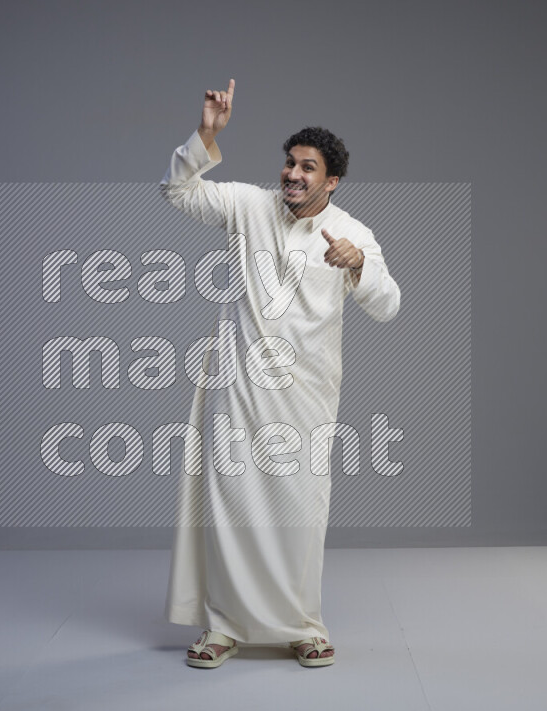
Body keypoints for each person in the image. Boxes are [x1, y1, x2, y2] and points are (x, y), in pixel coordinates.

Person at [160, 79, 400, 668]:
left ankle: (302, 625)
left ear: (332, 180)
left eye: (308, 168)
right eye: (290, 163)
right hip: (239, 388)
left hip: (308, 396)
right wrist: (206, 136)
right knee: (231, 506)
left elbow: (389, 303)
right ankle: (223, 627)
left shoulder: (354, 232)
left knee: (301, 510)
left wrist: (360, 265)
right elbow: (176, 191)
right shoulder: (248, 205)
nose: (293, 175)